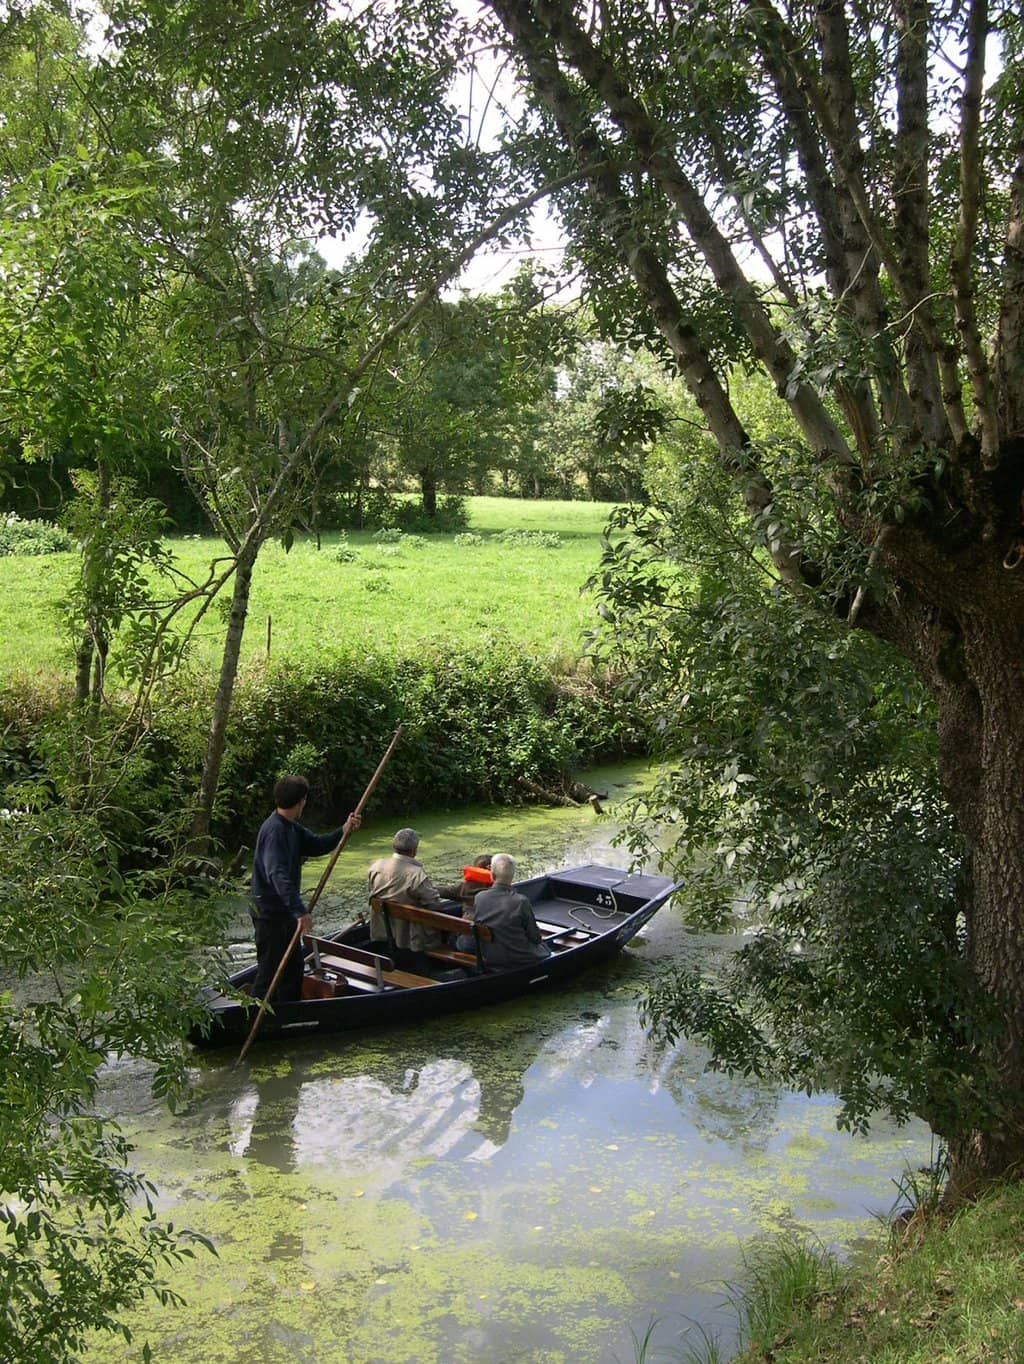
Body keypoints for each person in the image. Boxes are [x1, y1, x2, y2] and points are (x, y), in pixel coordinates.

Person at [250, 775, 361, 1003]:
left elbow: (318, 844)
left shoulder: (292, 828)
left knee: (293, 969)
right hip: (270, 915)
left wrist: (344, 830)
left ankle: (292, 1011)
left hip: (286, 914)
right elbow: (276, 874)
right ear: (301, 801)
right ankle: (255, 1016)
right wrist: (300, 911)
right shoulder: (274, 832)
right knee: (269, 972)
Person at [458, 852, 552, 970]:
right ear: (512, 876)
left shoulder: (480, 898)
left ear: (492, 875)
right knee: (545, 949)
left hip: (491, 956)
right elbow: (535, 937)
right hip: (519, 957)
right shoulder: (521, 901)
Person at [367, 828, 448, 952]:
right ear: (414, 850)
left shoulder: (376, 866)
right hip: (411, 937)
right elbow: (435, 905)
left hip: (383, 930)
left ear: (393, 846)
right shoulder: (416, 874)